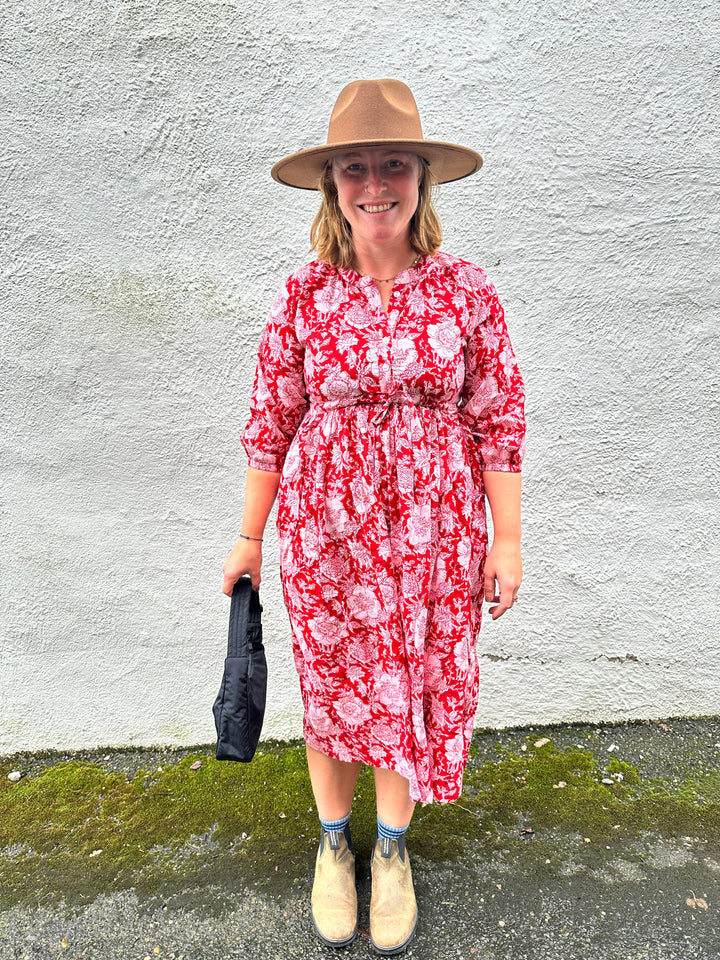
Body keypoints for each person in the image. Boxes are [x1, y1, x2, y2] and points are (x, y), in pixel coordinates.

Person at [222, 78, 526, 955]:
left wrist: (506, 540)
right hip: (328, 538)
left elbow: (497, 416)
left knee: (411, 685)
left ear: (422, 177)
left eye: (393, 164)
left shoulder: (466, 291)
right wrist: (249, 537)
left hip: (435, 537)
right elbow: (269, 420)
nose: (375, 183)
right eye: (356, 167)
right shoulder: (306, 297)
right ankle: (332, 846)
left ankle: (390, 853)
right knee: (335, 689)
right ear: (333, 185)